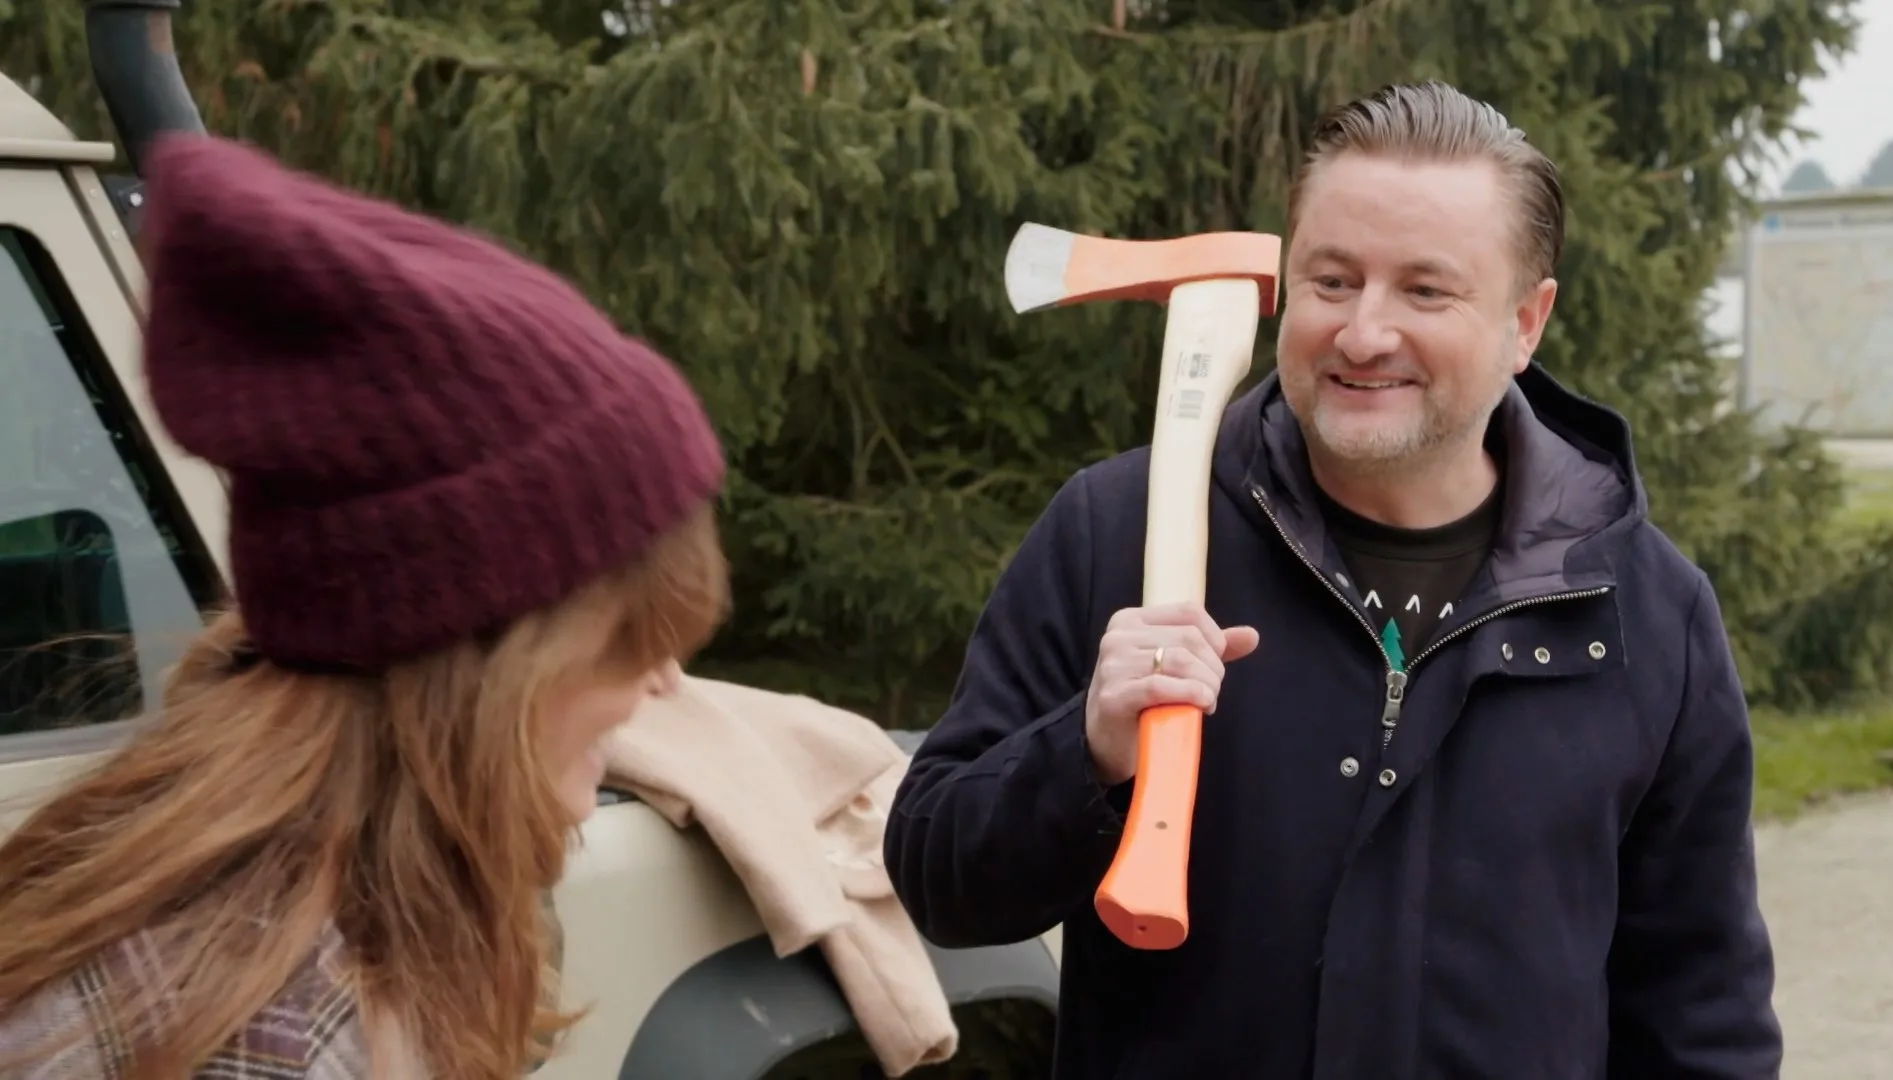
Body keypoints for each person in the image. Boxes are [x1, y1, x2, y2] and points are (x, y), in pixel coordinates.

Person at [884, 80, 1782, 1079]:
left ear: (1527, 323)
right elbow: (937, 876)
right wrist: (1083, 752)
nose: (1363, 333)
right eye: (1332, 280)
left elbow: (1703, 1016)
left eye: (1425, 291)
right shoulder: (1115, 534)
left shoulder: (1646, 613)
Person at [0, 133, 729, 1078]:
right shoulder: (278, 1042)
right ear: (485, 658)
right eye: (628, 638)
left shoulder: (255, 902)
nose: (661, 682)